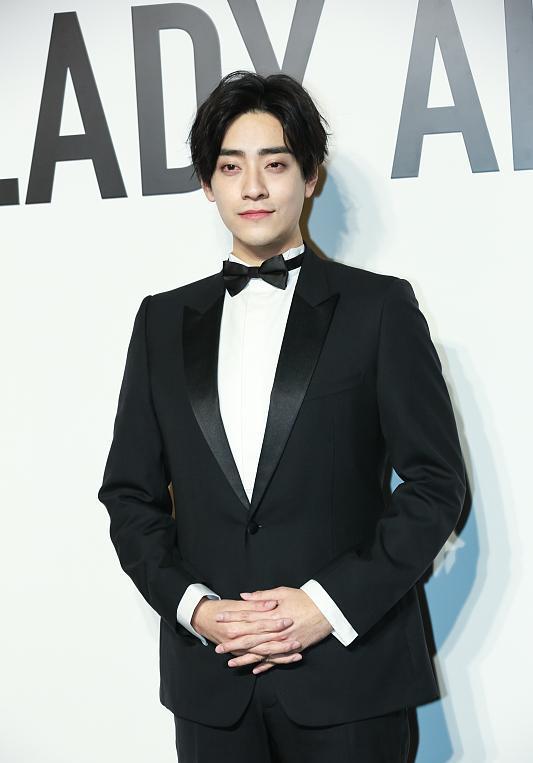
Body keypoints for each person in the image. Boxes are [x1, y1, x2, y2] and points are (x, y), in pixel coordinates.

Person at [97, 70, 466, 762]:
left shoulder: (379, 309)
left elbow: (435, 485)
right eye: (230, 167)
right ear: (208, 184)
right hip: (213, 686)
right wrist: (196, 608)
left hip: (350, 680)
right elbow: (129, 495)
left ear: (311, 176)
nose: (253, 187)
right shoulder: (160, 322)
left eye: (275, 164)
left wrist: (325, 605)